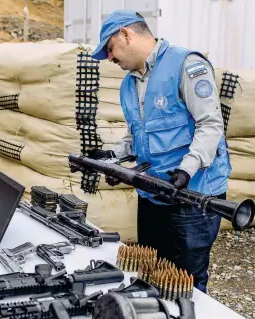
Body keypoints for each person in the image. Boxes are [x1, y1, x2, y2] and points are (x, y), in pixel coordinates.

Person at [89, 10, 231, 293]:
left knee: (185, 282)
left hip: (193, 197)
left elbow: (210, 125)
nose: (110, 58)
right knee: (150, 272)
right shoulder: (129, 85)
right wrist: (112, 157)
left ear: (126, 35)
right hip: (153, 195)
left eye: (110, 49)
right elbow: (137, 136)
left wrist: (186, 170)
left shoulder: (186, 65)